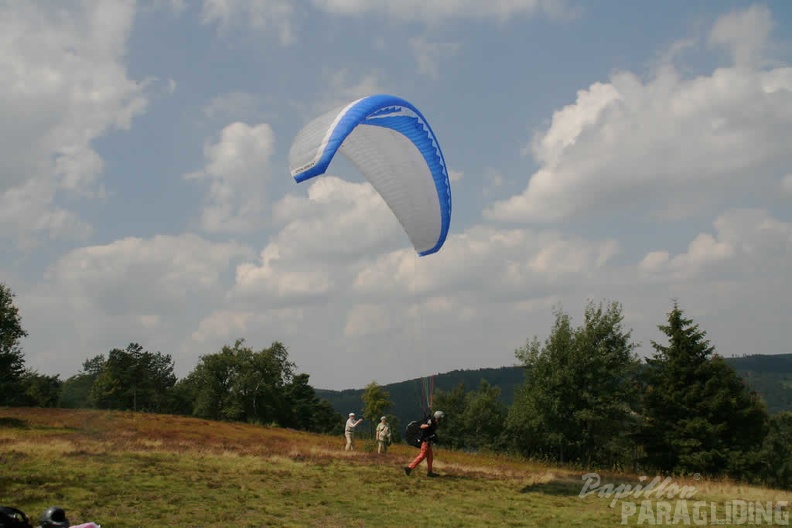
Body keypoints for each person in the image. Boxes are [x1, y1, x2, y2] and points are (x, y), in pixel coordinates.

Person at [404, 410, 444, 477]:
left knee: (430, 457)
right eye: (441, 418)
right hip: (425, 442)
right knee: (422, 456)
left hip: (428, 442)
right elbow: (421, 426)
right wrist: (428, 425)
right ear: (438, 418)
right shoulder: (430, 422)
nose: (441, 420)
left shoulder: (434, 422)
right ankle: (409, 468)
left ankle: (430, 472)